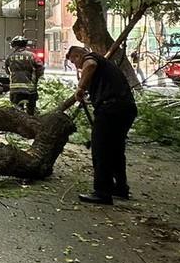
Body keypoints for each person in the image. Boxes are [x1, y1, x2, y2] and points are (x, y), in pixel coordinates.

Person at [59, 45, 138, 204]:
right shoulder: (104, 64)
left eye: (75, 62)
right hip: (125, 108)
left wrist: (80, 88)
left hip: (110, 109)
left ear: (77, 56)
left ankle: (102, 192)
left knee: (101, 150)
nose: (77, 66)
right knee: (116, 150)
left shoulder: (91, 59)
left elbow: (90, 65)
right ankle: (121, 188)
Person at [4, 36, 44, 115]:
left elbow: (7, 70)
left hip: (15, 90)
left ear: (14, 46)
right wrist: (36, 78)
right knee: (31, 110)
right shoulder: (32, 56)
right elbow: (40, 68)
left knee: (17, 111)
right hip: (30, 89)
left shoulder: (10, 57)